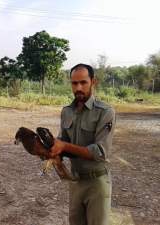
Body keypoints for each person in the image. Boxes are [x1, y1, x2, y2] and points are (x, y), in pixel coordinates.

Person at [50, 63, 115, 225]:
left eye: (83, 82)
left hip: (97, 183)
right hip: (75, 181)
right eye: (74, 83)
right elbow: (62, 141)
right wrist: (51, 151)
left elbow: (100, 152)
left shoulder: (105, 112)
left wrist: (64, 147)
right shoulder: (67, 111)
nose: (78, 87)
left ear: (93, 82)